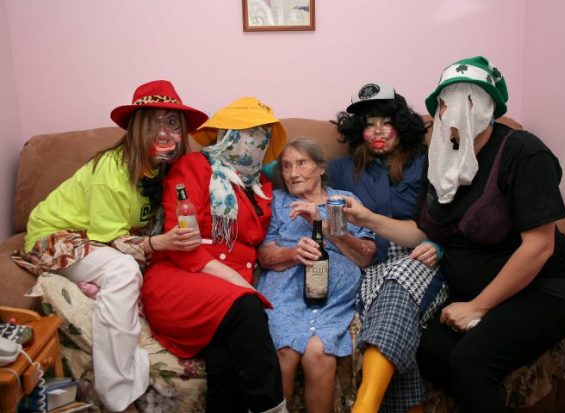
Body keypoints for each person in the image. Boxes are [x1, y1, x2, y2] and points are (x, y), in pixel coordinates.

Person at [346, 57, 565, 413]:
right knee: (424, 349)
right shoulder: (441, 157)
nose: (452, 113)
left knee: (470, 363)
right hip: (468, 289)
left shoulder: (522, 152)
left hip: (540, 289)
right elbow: (421, 231)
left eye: (466, 102)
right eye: (444, 104)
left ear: (487, 108)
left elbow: (539, 246)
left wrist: (478, 306)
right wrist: (368, 217)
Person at [11, 80, 208, 412]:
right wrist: (156, 242)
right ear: (137, 128)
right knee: (123, 271)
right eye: (154, 122)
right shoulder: (112, 169)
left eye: (173, 122)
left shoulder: (164, 170)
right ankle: (118, 396)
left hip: (103, 238)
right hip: (58, 234)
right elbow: (113, 241)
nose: (164, 132)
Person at [141, 97, 289, 413]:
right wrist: (239, 285)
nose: (256, 138)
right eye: (247, 130)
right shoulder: (194, 166)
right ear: (226, 134)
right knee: (247, 308)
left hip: (226, 289)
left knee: (226, 363)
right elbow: (184, 245)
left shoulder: (262, 184)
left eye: (263, 131)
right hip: (182, 277)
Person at [329, 83, 447, 413]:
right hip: (371, 262)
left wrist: (438, 244)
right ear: (358, 131)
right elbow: (290, 168)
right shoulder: (341, 169)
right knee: (393, 314)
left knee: (397, 286)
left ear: (401, 125)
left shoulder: (427, 163)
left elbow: (452, 216)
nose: (378, 131)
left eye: (385, 121)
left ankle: (364, 407)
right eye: (369, 124)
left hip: (419, 257)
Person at [256, 139, 376, 412]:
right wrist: (292, 254)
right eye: (286, 166)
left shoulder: (343, 201)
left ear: (321, 168)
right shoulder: (277, 201)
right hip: (286, 292)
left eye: (301, 163)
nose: (292, 173)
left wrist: (320, 222)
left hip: (333, 300)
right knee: (284, 351)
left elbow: (365, 256)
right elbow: (264, 256)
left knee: (319, 353)